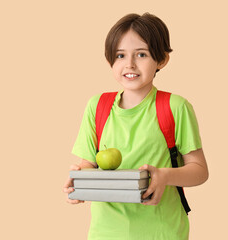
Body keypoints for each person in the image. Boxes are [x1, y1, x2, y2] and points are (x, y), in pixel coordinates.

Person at [63, 13, 209, 240]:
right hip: (106, 233)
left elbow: (200, 171)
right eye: (120, 55)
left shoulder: (175, 107)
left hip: (163, 232)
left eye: (141, 54)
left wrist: (164, 176)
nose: (129, 64)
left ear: (161, 60)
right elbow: (88, 163)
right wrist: (79, 181)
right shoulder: (97, 106)